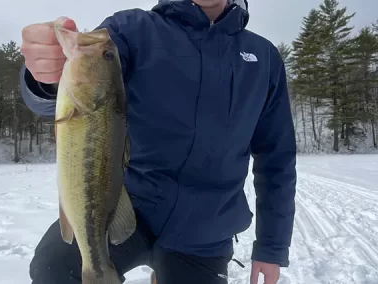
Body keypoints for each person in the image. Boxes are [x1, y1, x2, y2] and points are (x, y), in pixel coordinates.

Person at [19, 0, 297, 283]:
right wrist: (48, 76)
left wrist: (272, 246)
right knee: (53, 268)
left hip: (205, 232)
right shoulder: (133, 29)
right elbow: (88, 85)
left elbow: (277, 157)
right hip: (124, 205)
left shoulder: (264, 57)